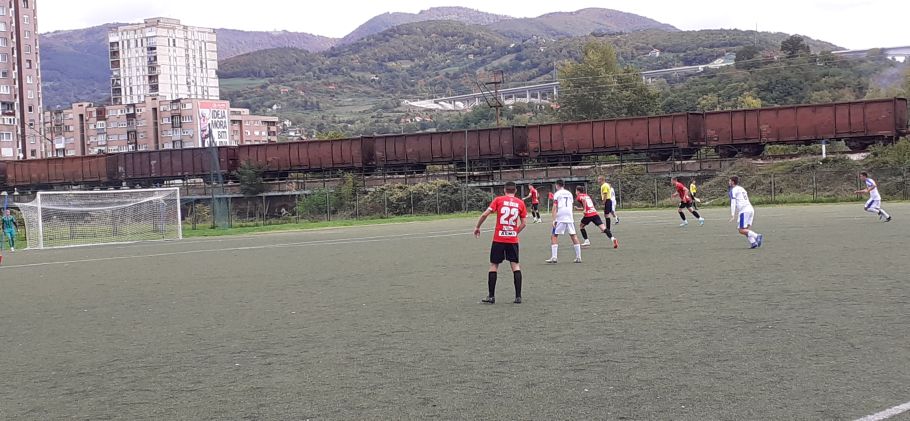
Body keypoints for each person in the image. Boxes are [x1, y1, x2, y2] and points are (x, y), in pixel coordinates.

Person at [474, 182, 528, 304]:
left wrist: (477, 227)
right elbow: (524, 223)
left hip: (498, 239)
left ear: (504, 190)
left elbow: (485, 214)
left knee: (494, 265)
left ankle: (491, 296)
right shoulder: (520, 203)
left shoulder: (498, 200)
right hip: (512, 240)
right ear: (515, 191)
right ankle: (518, 297)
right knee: (515, 265)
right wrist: (514, 232)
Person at [547, 180, 583, 264]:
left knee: (554, 235)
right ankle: (578, 257)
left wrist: (554, 219)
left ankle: (554, 257)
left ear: (557, 185)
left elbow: (555, 206)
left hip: (561, 215)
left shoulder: (557, 193)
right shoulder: (569, 193)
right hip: (569, 216)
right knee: (573, 235)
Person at [728, 176, 763, 249]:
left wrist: (732, 214)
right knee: (746, 229)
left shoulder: (733, 190)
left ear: (733, 182)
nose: (729, 182)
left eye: (729, 181)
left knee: (741, 230)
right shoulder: (741, 188)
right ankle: (753, 243)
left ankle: (757, 236)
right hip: (750, 209)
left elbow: (733, 202)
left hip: (744, 210)